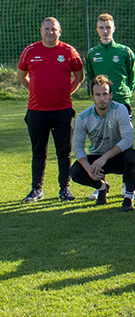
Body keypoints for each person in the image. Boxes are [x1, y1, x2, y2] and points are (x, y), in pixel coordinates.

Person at [17, 17, 84, 203]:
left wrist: (65, 92)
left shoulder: (69, 51)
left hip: (62, 111)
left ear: (59, 31)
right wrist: (34, 90)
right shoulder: (30, 50)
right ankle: (36, 189)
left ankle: (65, 189)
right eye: (46, 29)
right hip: (36, 111)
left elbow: (79, 76)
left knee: (64, 152)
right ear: (41, 31)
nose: (50, 32)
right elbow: (21, 75)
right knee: (38, 151)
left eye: (53, 29)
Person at [83, 13, 135, 201]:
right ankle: (100, 185)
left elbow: (132, 77)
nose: (105, 31)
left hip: (121, 101)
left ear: (114, 28)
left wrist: (124, 93)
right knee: (100, 141)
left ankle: (126, 185)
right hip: (101, 104)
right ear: (97, 29)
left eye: (108, 27)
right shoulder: (92, 53)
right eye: (101, 27)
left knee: (125, 141)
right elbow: (92, 77)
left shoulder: (125, 51)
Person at [70, 75, 135, 212]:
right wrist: (88, 168)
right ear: (92, 97)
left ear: (111, 95)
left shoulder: (120, 110)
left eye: (105, 94)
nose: (102, 98)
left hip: (116, 157)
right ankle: (102, 187)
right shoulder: (83, 117)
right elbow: (77, 146)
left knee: (131, 155)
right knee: (75, 171)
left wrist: (105, 157)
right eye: (98, 94)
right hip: (97, 160)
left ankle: (128, 197)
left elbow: (128, 139)